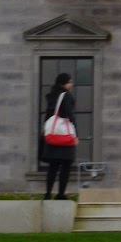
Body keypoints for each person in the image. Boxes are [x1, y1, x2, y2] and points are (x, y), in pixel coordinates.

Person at [40, 72, 78, 200]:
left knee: (53, 167)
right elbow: (69, 114)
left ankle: (48, 193)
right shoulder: (66, 96)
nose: (71, 85)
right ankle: (61, 194)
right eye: (70, 82)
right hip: (64, 136)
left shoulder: (51, 96)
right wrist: (75, 133)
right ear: (64, 83)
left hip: (52, 135)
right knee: (65, 167)